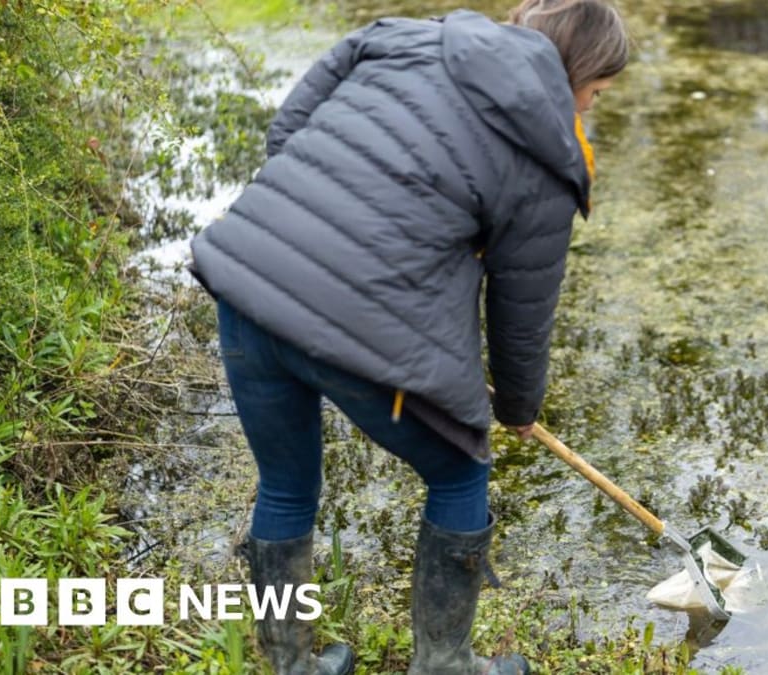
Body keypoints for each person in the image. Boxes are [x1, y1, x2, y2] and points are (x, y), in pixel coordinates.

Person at [188, 1, 628, 673]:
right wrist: (515, 409)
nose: (588, 111)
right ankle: (445, 664)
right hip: (347, 317)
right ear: (577, 71)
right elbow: (521, 310)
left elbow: (289, 133)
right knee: (460, 469)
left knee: (284, 484)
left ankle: (292, 665)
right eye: (594, 95)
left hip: (247, 282)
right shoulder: (549, 151)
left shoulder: (402, 39)